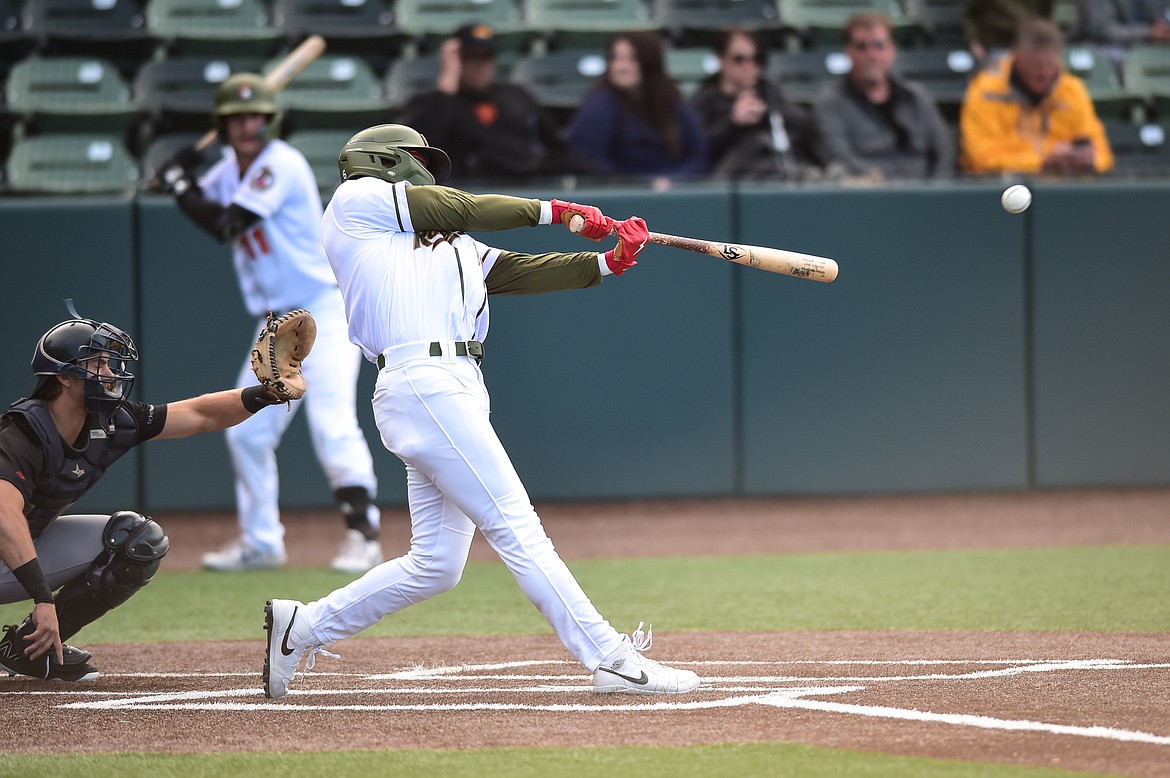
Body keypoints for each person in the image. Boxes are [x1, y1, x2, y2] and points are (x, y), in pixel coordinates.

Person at [262, 123, 700, 700]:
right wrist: (559, 211)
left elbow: (517, 271)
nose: (427, 168)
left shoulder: (450, 243)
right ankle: (610, 658)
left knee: (436, 564)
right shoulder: (355, 202)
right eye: (417, 158)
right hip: (421, 380)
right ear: (387, 160)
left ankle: (305, 626)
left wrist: (608, 262)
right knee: (516, 525)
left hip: (454, 385)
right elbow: (454, 204)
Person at [156, 73, 383, 574]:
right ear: (223, 123)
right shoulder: (226, 170)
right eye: (237, 117)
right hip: (277, 318)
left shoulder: (280, 163)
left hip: (322, 305)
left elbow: (228, 224)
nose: (246, 125)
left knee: (331, 421)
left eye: (254, 115)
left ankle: (363, 536)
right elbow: (190, 192)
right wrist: (179, 174)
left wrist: (180, 185)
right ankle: (262, 542)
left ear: (268, 119)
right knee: (246, 432)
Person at [0, 305, 295, 681]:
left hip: (15, 553)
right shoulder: (23, 431)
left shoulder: (111, 421)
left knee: (137, 541)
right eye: (98, 363)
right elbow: (4, 516)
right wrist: (44, 599)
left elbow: (200, 414)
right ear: (64, 378)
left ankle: (27, 649)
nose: (110, 373)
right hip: (6, 543)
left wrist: (263, 394)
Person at [399, 23, 588, 185]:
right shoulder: (434, 104)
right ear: (455, 61)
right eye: (471, 58)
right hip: (466, 197)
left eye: (486, 57)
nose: (480, 66)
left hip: (527, 188)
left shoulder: (515, 96)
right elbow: (423, 151)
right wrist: (446, 84)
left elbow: (556, 147)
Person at [813, 11, 956, 181]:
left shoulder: (916, 97)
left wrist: (937, 191)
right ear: (848, 52)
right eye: (862, 47)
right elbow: (839, 158)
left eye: (879, 45)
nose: (872, 55)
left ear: (892, 50)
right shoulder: (831, 103)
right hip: (868, 197)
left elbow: (944, 152)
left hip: (925, 195)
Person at [960, 18, 1115, 174]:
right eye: (1036, 65)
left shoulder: (1071, 90)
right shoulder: (986, 91)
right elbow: (981, 158)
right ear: (1017, 55)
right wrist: (1043, 161)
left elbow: (1103, 155)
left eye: (1049, 64)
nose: (1043, 73)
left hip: (1063, 186)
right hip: (1002, 187)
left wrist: (1087, 161)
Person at [567, 31, 708, 189]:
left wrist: (675, 181)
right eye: (616, 58)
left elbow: (697, 155)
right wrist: (638, 186)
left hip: (674, 191)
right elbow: (588, 160)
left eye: (632, 59)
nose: (621, 67)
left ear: (649, 62)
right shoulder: (600, 104)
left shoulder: (671, 100)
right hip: (622, 195)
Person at [690, 27, 821, 182]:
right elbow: (697, 150)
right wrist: (734, 122)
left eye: (757, 59)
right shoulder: (704, 99)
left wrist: (766, 112)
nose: (749, 66)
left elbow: (804, 124)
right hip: (726, 181)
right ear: (721, 60)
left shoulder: (768, 91)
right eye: (739, 59)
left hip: (773, 174)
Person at [1077, 0, 1170, 72]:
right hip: (1100, 45)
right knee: (1124, 59)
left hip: (1146, 44)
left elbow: (1162, 16)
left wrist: (1163, 30)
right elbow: (1102, 30)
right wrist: (1146, 32)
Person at [964, 0, 1054, 65]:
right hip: (997, 45)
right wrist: (974, 40)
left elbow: (1045, 15)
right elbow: (970, 14)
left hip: (1030, 44)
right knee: (995, 85)